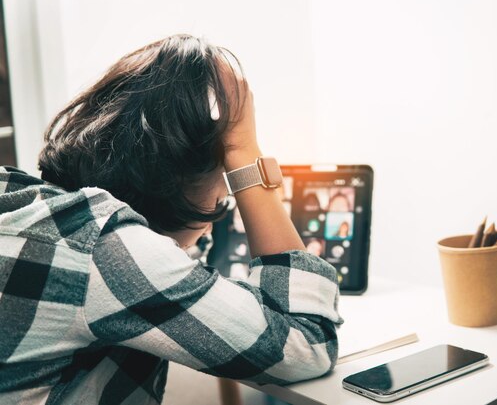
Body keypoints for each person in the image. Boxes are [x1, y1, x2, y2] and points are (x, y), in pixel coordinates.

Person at [0, 34, 342, 404]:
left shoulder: (20, 198)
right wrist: (243, 149)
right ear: (180, 178)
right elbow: (307, 342)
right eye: (224, 183)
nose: (220, 205)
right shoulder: (106, 249)